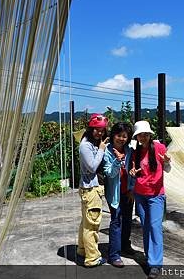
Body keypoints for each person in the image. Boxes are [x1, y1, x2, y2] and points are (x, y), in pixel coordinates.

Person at [129, 120, 171, 279]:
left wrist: (166, 162)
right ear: (137, 136)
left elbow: (167, 169)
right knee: (146, 226)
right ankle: (150, 258)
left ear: (150, 134)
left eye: (145, 134)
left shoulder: (159, 147)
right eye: (140, 134)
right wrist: (133, 173)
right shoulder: (136, 152)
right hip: (140, 194)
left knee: (155, 227)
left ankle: (155, 264)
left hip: (156, 195)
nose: (143, 137)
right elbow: (135, 172)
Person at [77, 113, 109, 267]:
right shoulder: (85, 145)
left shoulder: (91, 143)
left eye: (102, 130)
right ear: (90, 128)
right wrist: (102, 149)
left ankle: (82, 250)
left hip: (89, 188)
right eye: (96, 129)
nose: (100, 133)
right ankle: (92, 258)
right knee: (92, 225)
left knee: (86, 222)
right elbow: (92, 166)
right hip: (91, 189)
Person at [103, 122, 135, 268]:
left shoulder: (130, 151)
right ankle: (114, 255)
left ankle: (125, 245)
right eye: (118, 135)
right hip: (114, 193)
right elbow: (109, 173)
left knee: (128, 220)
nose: (121, 138)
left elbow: (134, 170)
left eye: (124, 136)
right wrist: (118, 160)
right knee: (116, 222)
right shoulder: (107, 151)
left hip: (127, 192)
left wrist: (132, 189)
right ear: (113, 135)